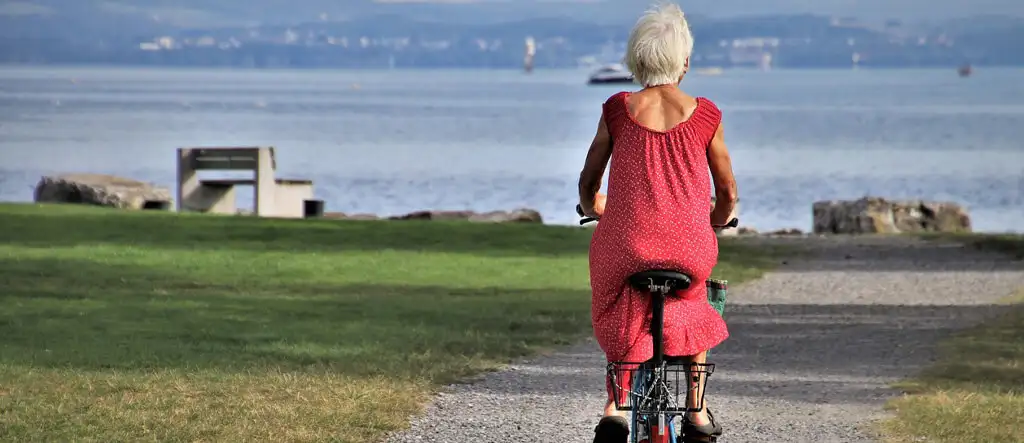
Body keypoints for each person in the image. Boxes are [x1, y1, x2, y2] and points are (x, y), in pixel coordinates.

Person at [577, 3, 738, 442]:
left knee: (622, 299)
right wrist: (717, 220)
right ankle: (697, 411)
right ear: (684, 61)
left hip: (626, 245)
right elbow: (726, 194)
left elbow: (589, 181)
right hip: (688, 246)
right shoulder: (706, 114)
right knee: (694, 302)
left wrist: (594, 207)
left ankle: (616, 408)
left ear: (636, 59)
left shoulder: (617, 109)